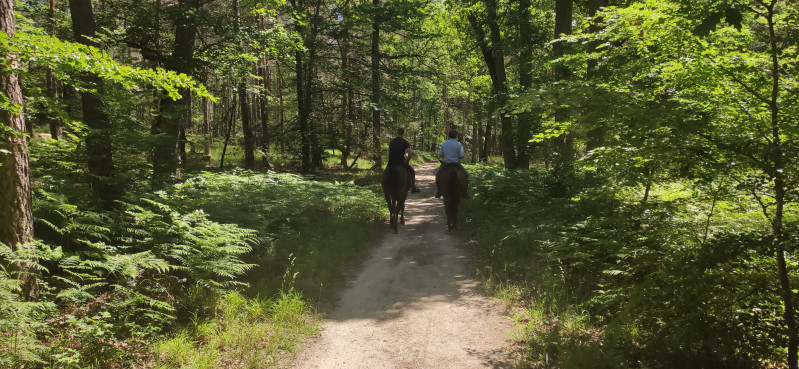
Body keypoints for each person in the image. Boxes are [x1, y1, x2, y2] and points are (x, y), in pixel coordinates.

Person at [435, 129, 468, 199]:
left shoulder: (444, 143)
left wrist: (447, 155)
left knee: (437, 175)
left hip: (446, 164)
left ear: (448, 135)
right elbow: (461, 156)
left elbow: (441, 155)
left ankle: (439, 192)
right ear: (456, 136)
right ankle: (465, 193)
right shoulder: (459, 144)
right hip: (456, 164)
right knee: (466, 175)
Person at [387, 127, 421, 194]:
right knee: (412, 172)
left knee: (385, 172)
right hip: (401, 162)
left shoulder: (391, 142)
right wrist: (406, 161)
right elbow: (409, 154)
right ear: (403, 133)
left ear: (397, 133)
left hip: (391, 162)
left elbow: (389, 152)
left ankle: (385, 188)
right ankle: (413, 188)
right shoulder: (405, 142)